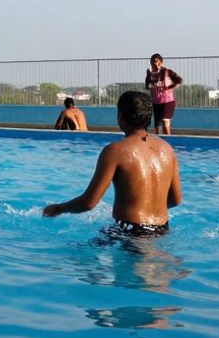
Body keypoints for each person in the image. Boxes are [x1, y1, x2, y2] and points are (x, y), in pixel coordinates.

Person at [42, 91, 181, 237]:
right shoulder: (167, 150)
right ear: (148, 117)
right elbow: (175, 200)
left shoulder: (115, 151)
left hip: (130, 231)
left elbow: (89, 202)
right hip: (162, 230)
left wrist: (59, 208)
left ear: (120, 117)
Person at [145, 54, 183, 135]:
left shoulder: (167, 72)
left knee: (165, 122)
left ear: (161, 62)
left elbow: (179, 80)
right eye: (152, 62)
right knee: (157, 127)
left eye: (156, 61)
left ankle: (169, 141)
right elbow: (147, 86)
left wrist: (168, 87)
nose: (154, 64)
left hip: (168, 102)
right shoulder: (150, 74)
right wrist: (149, 80)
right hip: (156, 103)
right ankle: (159, 143)